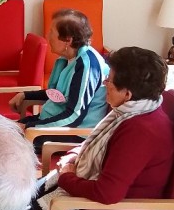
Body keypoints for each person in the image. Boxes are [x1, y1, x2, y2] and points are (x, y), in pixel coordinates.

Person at [28, 47, 174, 210]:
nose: (105, 83)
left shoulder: (140, 131)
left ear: (127, 94)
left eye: (109, 81)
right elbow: (98, 145)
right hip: (97, 203)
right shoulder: (133, 111)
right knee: (18, 198)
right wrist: (74, 156)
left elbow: (107, 193)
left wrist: (66, 177)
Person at [10, 9, 108, 152]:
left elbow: (74, 116)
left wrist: (31, 127)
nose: (47, 36)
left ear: (68, 40)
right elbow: (58, 94)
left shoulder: (87, 66)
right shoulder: (68, 58)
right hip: (55, 122)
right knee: (2, 130)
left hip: (76, 133)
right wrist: (25, 95)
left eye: (51, 32)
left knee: (7, 145)